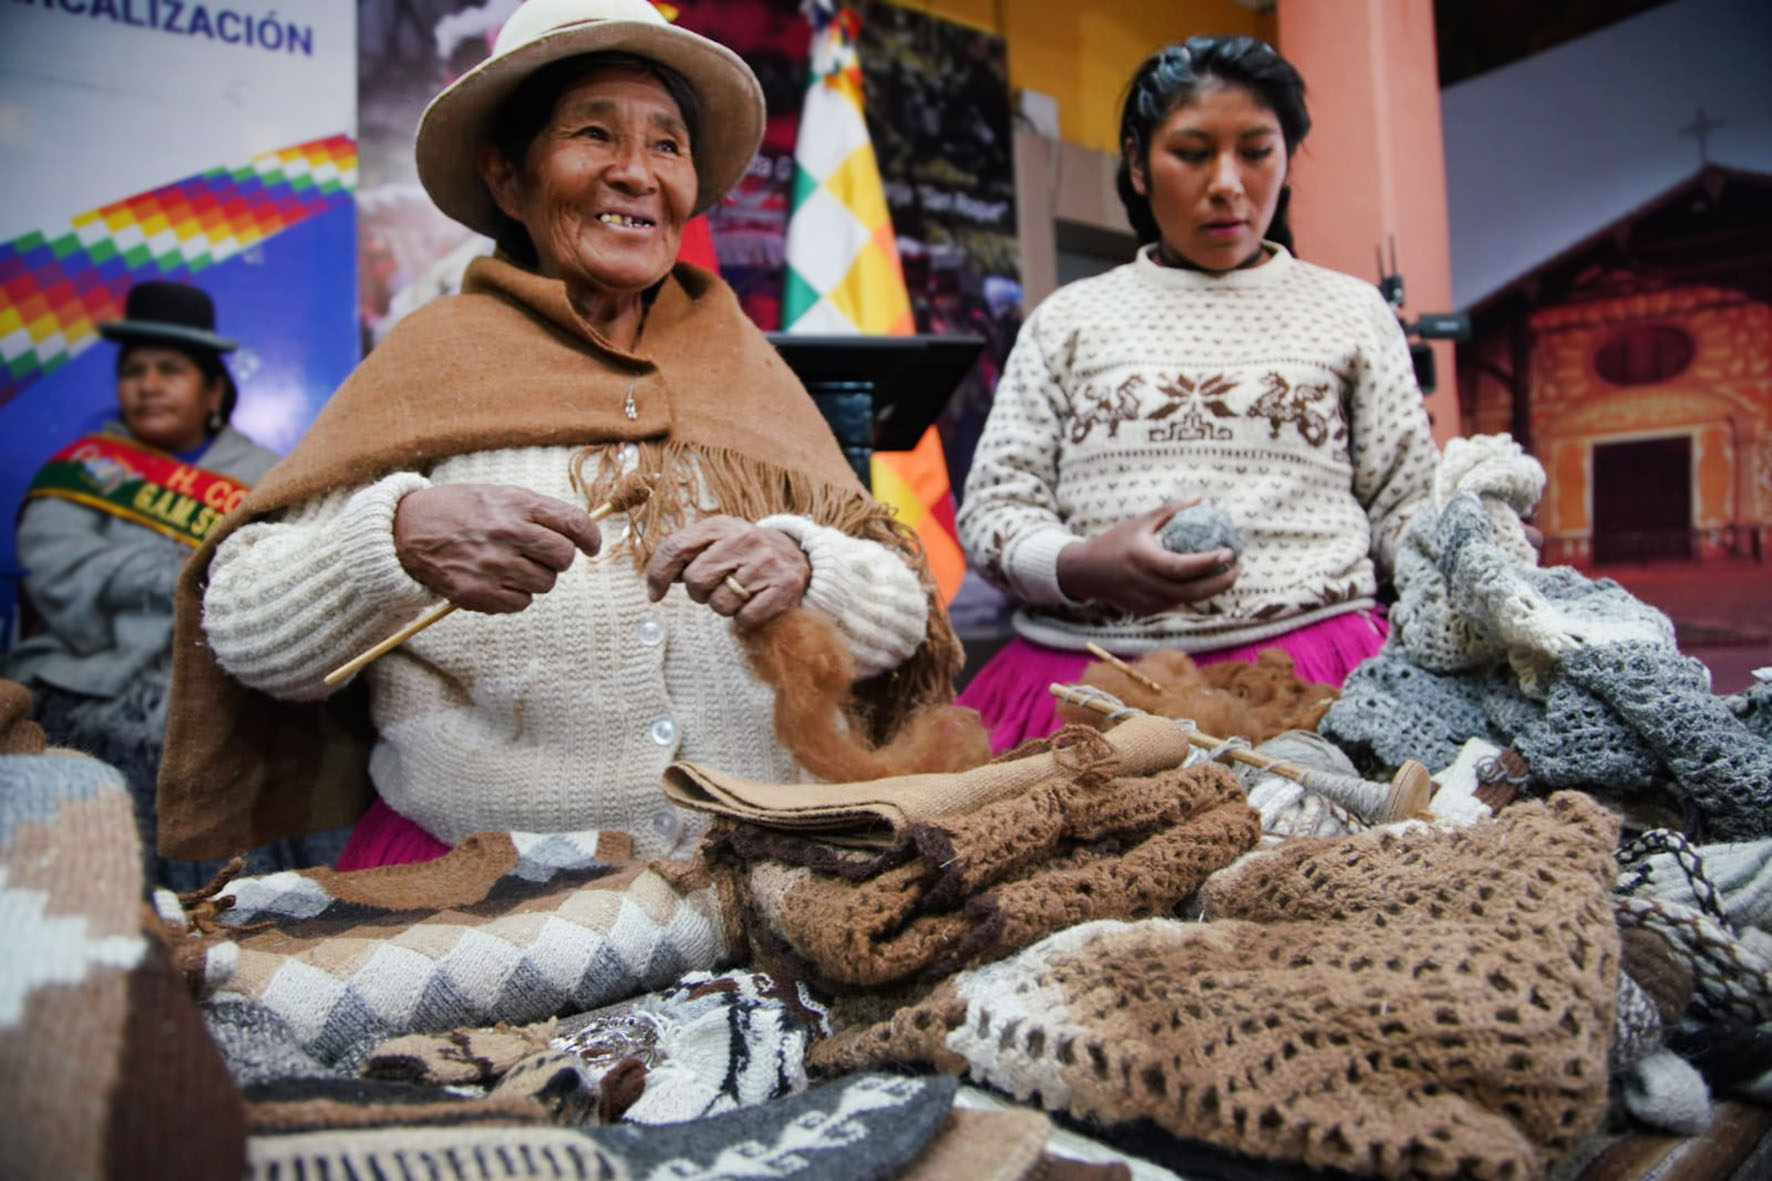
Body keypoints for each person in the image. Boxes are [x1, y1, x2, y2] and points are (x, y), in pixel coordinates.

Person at [156, 0, 960, 871]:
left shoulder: (747, 370)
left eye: (667, 145)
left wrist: (808, 568)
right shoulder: (431, 362)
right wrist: (395, 543)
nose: (636, 173)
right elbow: (243, 629)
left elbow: (902, 616)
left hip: (769, 869)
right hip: (487, 883)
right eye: (593, 134)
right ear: (508, 178)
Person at [955, 35, 1439, 752]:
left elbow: (1405, 502)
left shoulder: (1351, 312)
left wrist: (1464, 545)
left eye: (1257, 151)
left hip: (1315, 680)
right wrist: (1081, 567)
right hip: (1087, 688)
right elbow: (995, 509)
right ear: (1138, 164)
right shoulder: (1067, 321)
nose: (1227, 184)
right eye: (1191, 152)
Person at [4, 280, 347, 889]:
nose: (148, 384)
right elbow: (64, 573)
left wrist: (139, 575)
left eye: (170, 370)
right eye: (133, 371)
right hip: (96, 680)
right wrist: (192, 573)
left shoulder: (266, 477)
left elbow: (280, 585)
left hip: (226, 677)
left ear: (213, 390)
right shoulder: (87, 469)